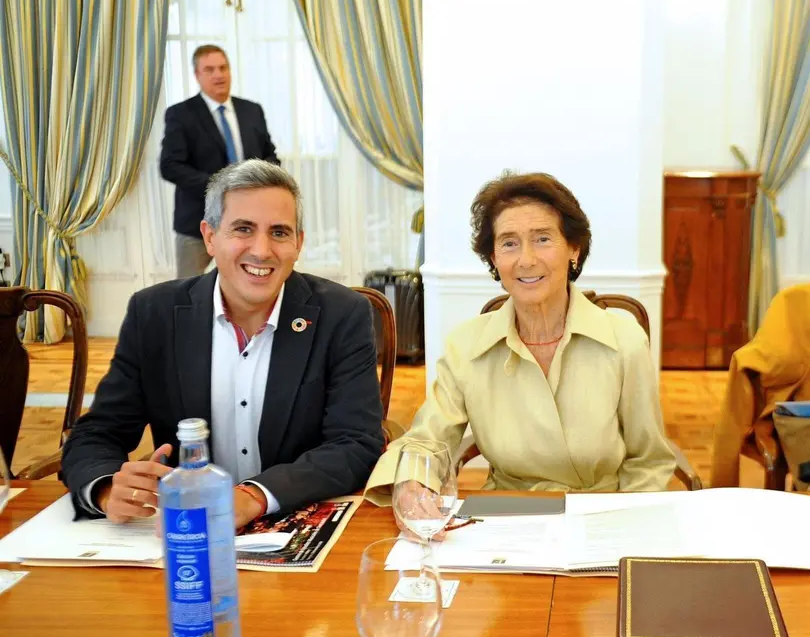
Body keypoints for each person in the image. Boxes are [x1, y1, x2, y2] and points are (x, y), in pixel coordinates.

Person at [62, 160, 384, 529]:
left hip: (295, 522)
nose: (262, 250)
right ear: (210, 237)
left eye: (279, 232)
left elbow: (357, 443)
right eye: (243, 229)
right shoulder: (154, 313)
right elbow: (97, 433)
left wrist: (253, 496)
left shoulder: (342, 314)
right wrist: (106, 488)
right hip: (186, 530)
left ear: (299, 242)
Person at [365, 171, 674, 514]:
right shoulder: (467, 346)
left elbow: (649, 461)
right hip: (507, 516)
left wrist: (626, 525)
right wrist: (412, 484)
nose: (526, 259)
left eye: (542, 239)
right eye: (509, 243)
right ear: (494, 259)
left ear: (574, 248)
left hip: (601, 516)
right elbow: (426, 440)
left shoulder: (625, 340)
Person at [160, 44, 281, 278]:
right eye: (210, 69)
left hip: (251, 221)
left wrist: (258, 180)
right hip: (198, 222)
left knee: (247, 283)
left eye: (223, 67)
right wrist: (222, 186)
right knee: (189, 293)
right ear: (197, 75)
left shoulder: (251, 110)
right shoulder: (181, 114)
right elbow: (170, 166)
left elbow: (270, 156)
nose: (218, 74)